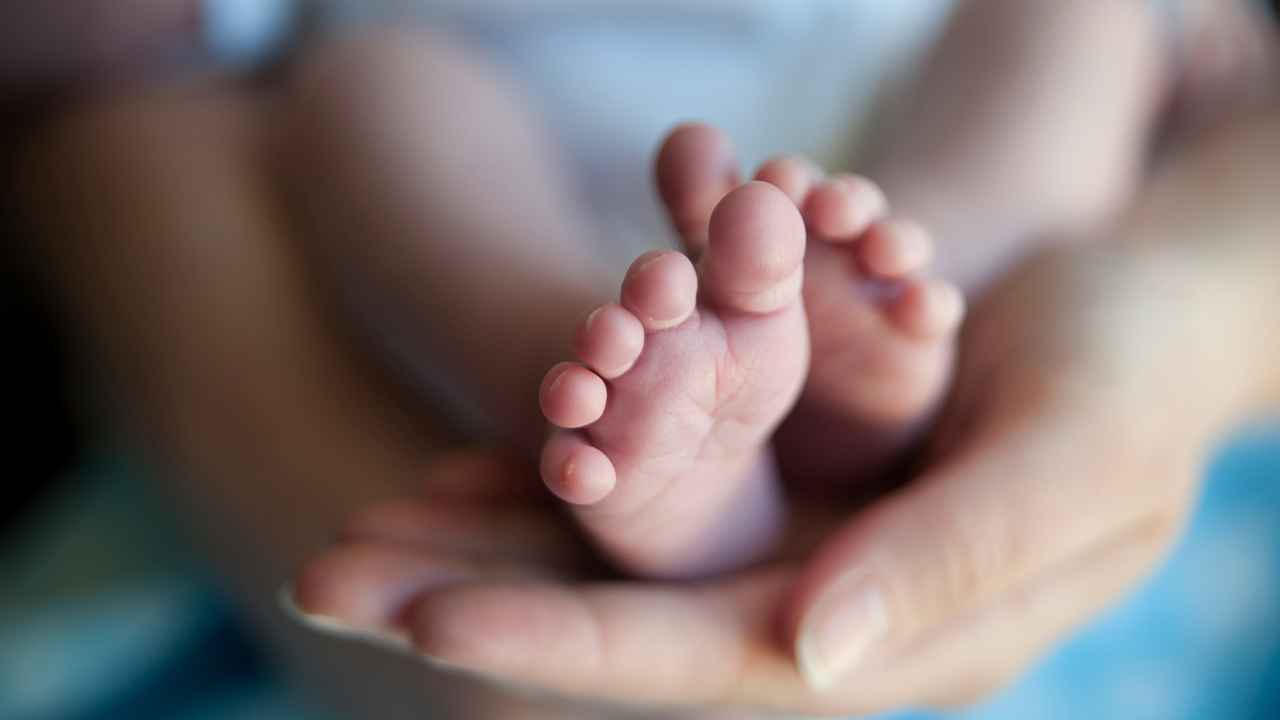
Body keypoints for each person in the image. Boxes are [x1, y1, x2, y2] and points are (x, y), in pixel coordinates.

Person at [4, 0, 1279, 717]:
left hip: (890, 101)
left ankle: (915, 297)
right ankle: (567, 370)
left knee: (1068, 24)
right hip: (518, 118)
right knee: (369, 95)